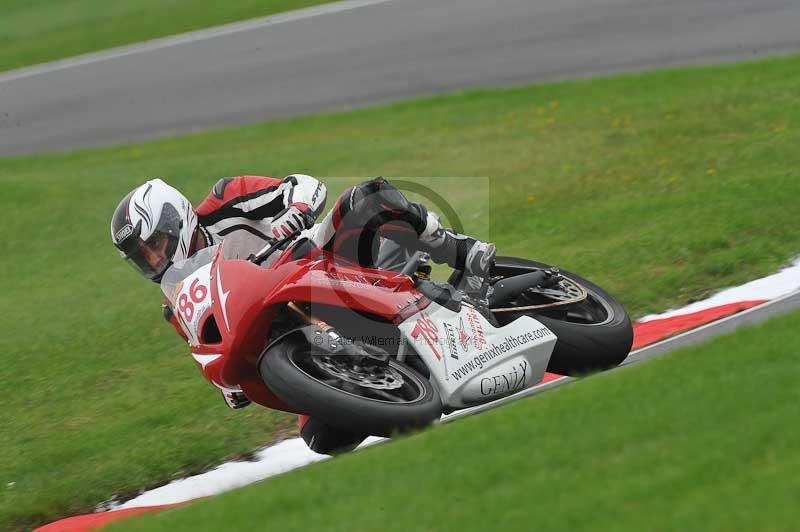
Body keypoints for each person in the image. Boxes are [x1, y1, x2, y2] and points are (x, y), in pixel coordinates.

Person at [110, 174, 495, 452]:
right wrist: (230, 387)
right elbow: (211, 353)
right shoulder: (179, 302)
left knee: (367, 197)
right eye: (142, 257)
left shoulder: (225, 201)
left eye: (156, 244)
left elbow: (307, 186)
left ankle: (460, 251)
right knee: (322, 437)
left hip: (321, 259)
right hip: (302, 332)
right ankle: (403, 371)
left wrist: (294, 212)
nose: (155, 259)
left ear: (176, 220)